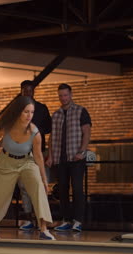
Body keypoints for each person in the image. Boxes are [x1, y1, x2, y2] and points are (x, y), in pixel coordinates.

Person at [0, 95, 55, 243]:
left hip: (26, 162)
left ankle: (44, 230)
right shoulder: (7, 125)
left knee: (38, 188)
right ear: (18, 112)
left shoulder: (35, 132)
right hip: (6, 163)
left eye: (32, 112)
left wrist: (44, 179)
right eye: (26, 112)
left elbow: (38, 157)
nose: (29, 116)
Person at [46, 83, 91, 232]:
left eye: (65, 95)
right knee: (62, 190)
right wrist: (51, 156)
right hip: (60, 159)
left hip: (76, 158)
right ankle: (66, 220)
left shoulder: (81, 111)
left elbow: (87, 132)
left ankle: (78, 221)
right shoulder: (56, 114)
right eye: (60, 95)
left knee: (77, 189)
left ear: (71, 95)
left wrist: (82, 151)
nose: (63, 98)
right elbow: (52, 137)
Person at [18, 80, 52, 231]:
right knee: (24, 186)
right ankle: (28, 219)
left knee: (40, 185)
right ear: (21, 91)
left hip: (38, 151)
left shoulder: (42, 109)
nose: (27, 92)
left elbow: (48, 128)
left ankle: (42, 218)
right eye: (25, 90)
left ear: (33, 91)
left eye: (30, 90)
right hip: (21, 152)